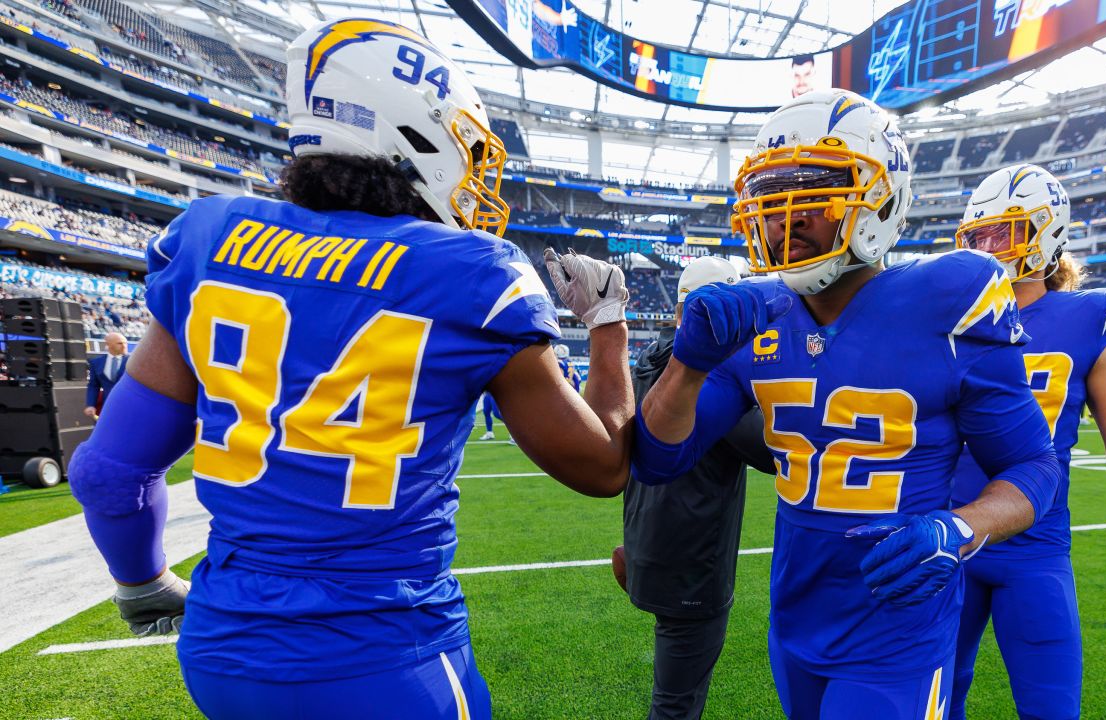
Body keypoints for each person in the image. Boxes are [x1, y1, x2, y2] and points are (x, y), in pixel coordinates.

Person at [66, 19, 635, 720]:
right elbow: (604, 467)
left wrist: (143, 583)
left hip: (223, 654)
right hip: (383, 657)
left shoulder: (211, 240)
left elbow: (109, 472)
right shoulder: (470, 273)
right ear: (417, 136)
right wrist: (608, 324)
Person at [630, 89, 1060, 718]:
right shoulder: (755, 314)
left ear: (881, 196)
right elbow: (658, 459)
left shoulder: (950, 297)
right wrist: (687, 363)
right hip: (797, 619)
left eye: (813, 190)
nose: (786, 214)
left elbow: (1034, 469)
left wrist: (963, 527)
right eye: (771, 195)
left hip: (899, 630)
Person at [949, 164, 1106, 720]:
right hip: (948, 536)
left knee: (1052, 708)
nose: (987, 248)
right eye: (977, 236)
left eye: (1002, 233)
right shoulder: (945, 316)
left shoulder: (1087, 319)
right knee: (929, 704)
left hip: (1035, 548)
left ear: (1046, 234)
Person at [616, 256, 775, 720]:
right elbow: (775, 452)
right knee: (675, 705)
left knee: (672, 693)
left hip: (646, 541)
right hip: (691, 564)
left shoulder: (649, 359)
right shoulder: (708, 374)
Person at [84, 331, 128, 419]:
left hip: (130, 406)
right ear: (109, 344)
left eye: (125, 343)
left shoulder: (133, 362)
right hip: (108, 407)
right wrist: (90, 404)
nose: (124, 346)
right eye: (120, 343)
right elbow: (94, 385)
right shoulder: (96, 363)